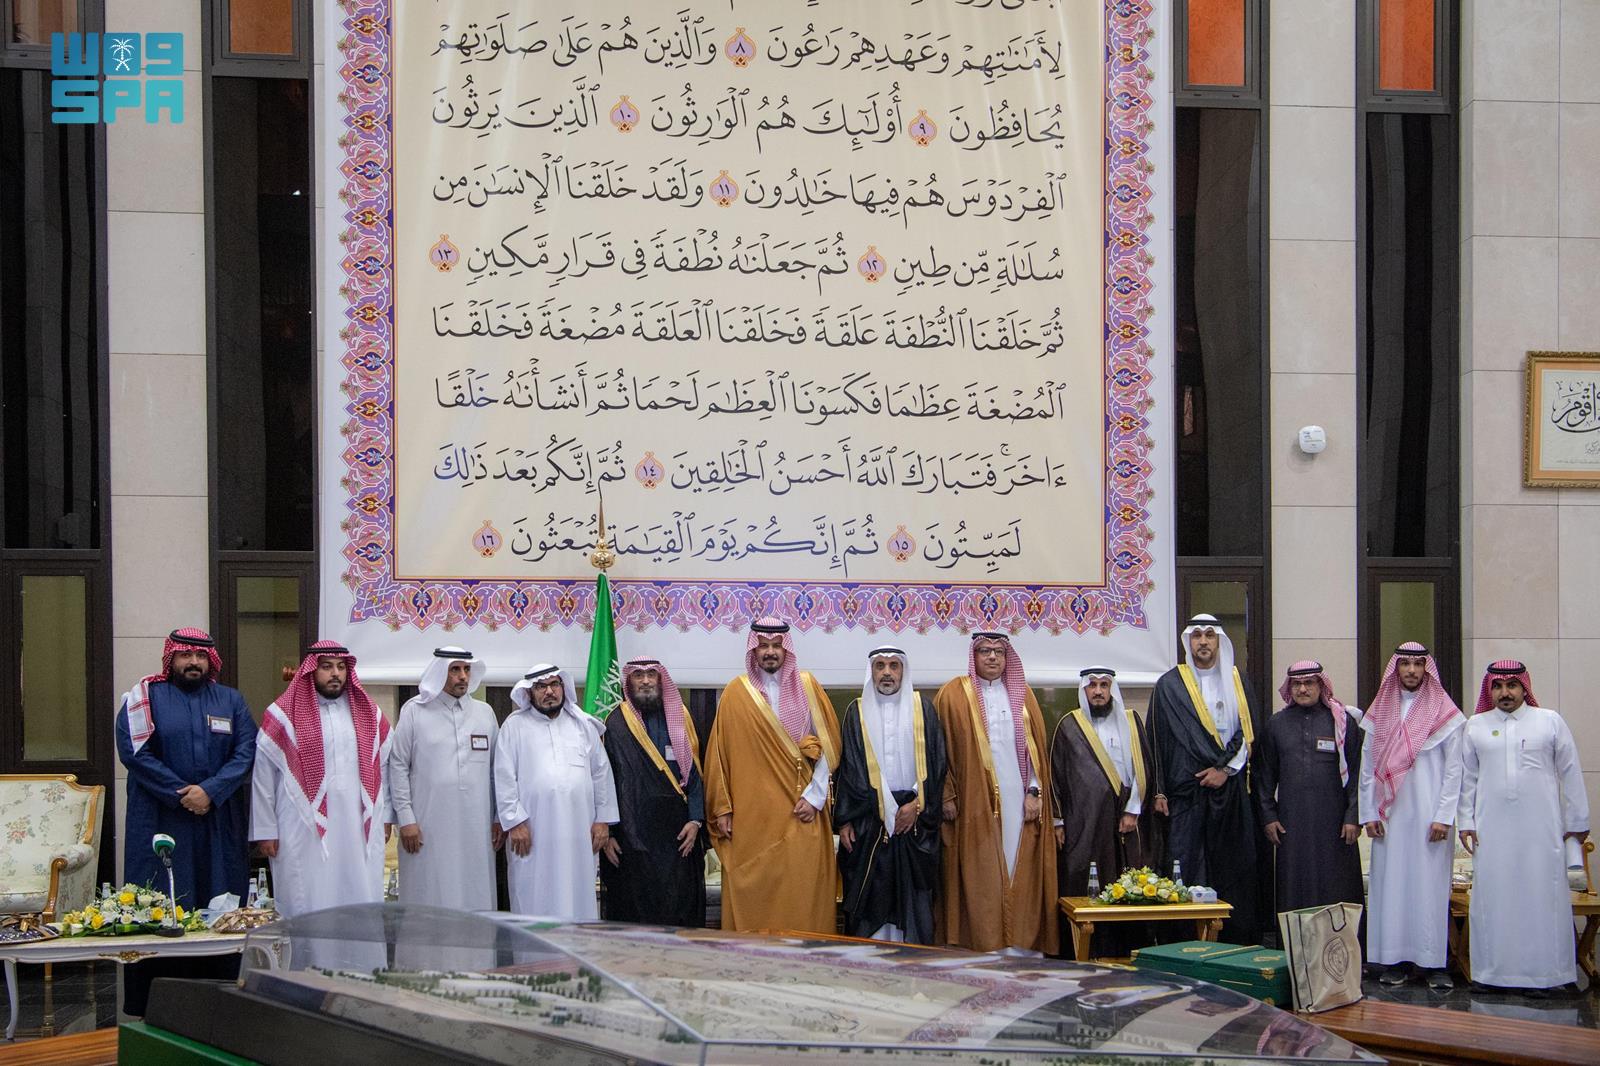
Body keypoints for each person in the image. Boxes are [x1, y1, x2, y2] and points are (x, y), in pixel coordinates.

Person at [115, 627, 257, 1014]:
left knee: (219, 897)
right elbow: (134, 753)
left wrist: (210, 791)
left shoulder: (230, 700)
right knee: (162, 899)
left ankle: (220, 1000)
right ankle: (154, 1002)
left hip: (217, 820)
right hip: (161, 819)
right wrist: (182, 793)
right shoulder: (144, 698)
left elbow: (246, 751)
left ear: (211, 661)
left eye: (200, 656)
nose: (194, 662)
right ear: (171, 658)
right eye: (185, 655)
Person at [704, 617, 842, 934]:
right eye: (763, 646)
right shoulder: (736, 693)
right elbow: (718, 756)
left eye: (776, 646)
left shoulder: (808, 686)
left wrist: (815, 797)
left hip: (801, 812)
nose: (770, 652)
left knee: (802, 892)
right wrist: (723, 808)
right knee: (754, 894)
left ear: (786, 649)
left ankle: (804, 958)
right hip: (752, 820)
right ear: (753, 650)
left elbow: (830, 746)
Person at [1459, 660, 1589, 992]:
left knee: (1542, 896)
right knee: (1493, 898)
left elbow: (1570, 771)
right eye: (1498, 686)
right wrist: (1466, 822)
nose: (1505, 693)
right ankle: (1491, 976)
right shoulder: (1475, 725)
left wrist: (1577, 822)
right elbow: (1467, 779)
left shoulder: (1549, 721)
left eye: (1512, 685)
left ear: (1524, 687)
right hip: (1491, 831)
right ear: (1490, 690)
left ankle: (1550, 977)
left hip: (1540, 829)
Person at [250, 641, 393, 918]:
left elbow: (384, 768)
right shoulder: (283, 715)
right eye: (326, 667)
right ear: (311, 671)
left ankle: (359, 948)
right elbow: (263, 777)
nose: (335, 673)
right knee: (308, 894)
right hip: (301, 827)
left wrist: (385, 816)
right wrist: (265, 830)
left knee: (360, 894)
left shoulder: (369, 713)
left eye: (341, 667)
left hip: (357, 824)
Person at [935, 631, 1057, 955]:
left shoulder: (1023, 695)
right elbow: (938, 750)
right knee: (982, 868)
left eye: (999, 652)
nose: (992, 657)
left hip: (1019, 800)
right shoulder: (953, 694)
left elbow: (1036, 751)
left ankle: (1020, 945)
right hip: (972, 802)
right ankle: (982, 944)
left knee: (1019, 863)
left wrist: (1035, 792)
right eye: (985, 651)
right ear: (973, 656)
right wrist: (947, 795)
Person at [1148, 614, 1268, 943]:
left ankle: (1234, 944)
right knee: (1185, 867)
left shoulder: (1237, 681)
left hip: (1229, 792)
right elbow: (1155, 740)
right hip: (1185, 793)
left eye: (1210, 635)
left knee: (1233, 867)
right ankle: (1182, 944)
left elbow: (1249, 733)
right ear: (1188, 641)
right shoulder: (1170, 685)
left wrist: (1224, 770)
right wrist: (1159, 791)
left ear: (1219, 641)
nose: (1203, 641)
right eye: (1197, 635)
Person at [1359, 642, 1464, 990]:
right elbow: (1367, 767)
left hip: (1430, 817)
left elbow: (1455, 769)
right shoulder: (1381, 709)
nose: (1412, 671)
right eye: (1405, 664)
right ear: (1396, 668)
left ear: (1426, 669)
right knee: (1391, 888)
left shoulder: (1445, 712)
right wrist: (1369, 812)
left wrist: (1444, 816)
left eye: (1418, 664)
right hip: (1389, 817)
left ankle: (1434, 964)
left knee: (1429, 888)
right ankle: (1394, 961)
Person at [834, 645, 948, 943]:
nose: (887, 673)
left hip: (914, 820)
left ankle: (912, 958)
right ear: (871, 671)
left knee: (914, 897)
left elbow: (937, 763)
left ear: (903, 671)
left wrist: (917, 804)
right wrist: (844, 820)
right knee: (870, 892)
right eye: (880, 666)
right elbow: (849, 768)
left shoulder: (923, 709)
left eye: (894, 666)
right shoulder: (856, 711)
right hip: (869, 820)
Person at [1049, 667, 1164, 958]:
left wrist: (1133, 811)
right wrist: (1058, 820)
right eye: (1092, 686)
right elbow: (1055, 775)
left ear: (1112, 690)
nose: (1098, 692)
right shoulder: (1069, 725)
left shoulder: (1130, 720)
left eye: (1104, 685)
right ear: (1083, 690)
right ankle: (1082, 953)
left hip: (1126, 820)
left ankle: (1128, 952)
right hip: (1084, 821)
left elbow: (1144, 768)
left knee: (1128, 882)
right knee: (1083, 879)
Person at [494, 664, 619, 920]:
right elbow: (504, 777)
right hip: (533, 832)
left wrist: (603, 821)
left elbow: (601, 773)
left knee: (577, 894)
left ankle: (576, 947)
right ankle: (534, 948)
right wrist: (514, 822)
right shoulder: (514, 726)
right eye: (541, 686)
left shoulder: (583, 725)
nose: (549, 691)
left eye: (554, 684)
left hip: (579, 831)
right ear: (529, 693)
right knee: (534, 896)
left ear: (563, 687)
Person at [388, 646, 500, 911]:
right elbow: (398, 765)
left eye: (467, 669)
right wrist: (406, 819)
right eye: (455, 670)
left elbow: (497, 770)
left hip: (477, 826)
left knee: (475, 893)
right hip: (427, 826)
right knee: (429, 895)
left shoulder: (485, 713)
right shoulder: (415, 710)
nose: (463, 676)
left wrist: (498, 817)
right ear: (440, 672)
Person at [600, 658, 707, 927]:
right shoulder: (616, 722)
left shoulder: (680, 716)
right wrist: (609, 833)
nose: (645, 681)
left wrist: (695, 820)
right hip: (631, 835)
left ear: (661, 680)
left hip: (678, 835)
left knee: (678, 907)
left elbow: (695, 773)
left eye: (651, 674)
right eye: (638, 675)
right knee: (635, 909)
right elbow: (605, 780)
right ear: (629, 681)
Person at [1257, 661, 1363, 915]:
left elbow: (1358, 773)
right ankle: (1296, 940)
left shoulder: (1342, 722)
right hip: (1291, 824)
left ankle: (1337, 941)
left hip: (1336, 825)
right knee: (1294, 887)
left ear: (1320, 685)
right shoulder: (1277, 724)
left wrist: (1353, 816)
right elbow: (1264, 776)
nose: (1302, 689)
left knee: (1337, 887)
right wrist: (1269, 816)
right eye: (1296, 684)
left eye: (1309, 683)